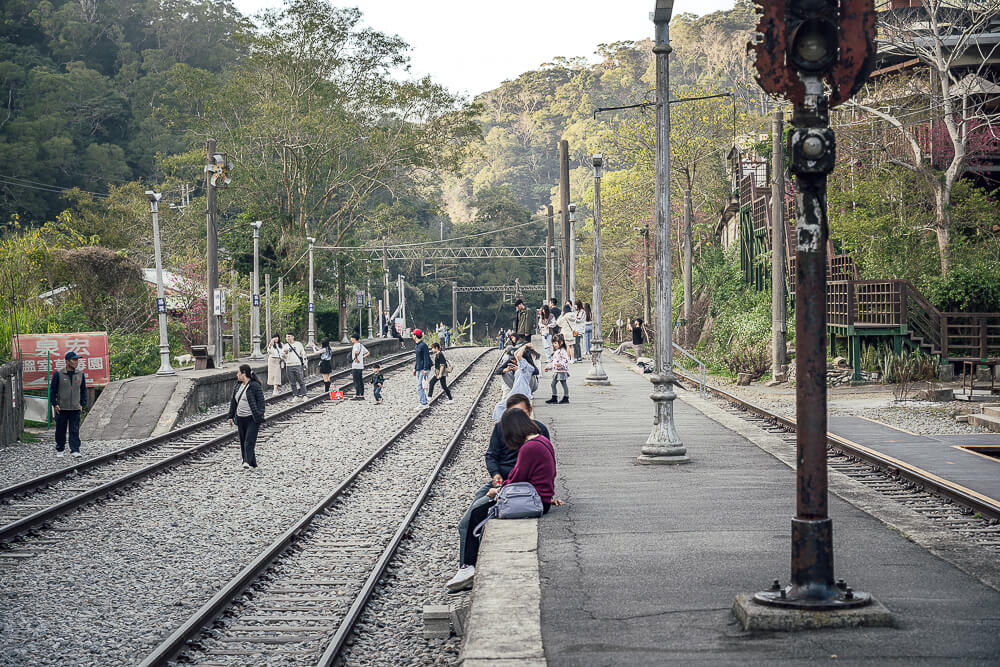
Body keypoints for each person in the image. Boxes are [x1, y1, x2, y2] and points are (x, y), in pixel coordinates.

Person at [447, 408, 562, 592]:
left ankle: (468, 566)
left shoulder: (528, 448)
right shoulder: (542, 441)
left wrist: (496, 491)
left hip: (534, 501)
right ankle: (468, 566)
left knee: (478, 512)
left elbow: (516, 478)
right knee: (481, 508)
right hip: (541, 497)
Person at [476, 393, 550, 499]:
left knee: (480, 504)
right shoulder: (500, 428)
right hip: (503, 480)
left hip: (526, 485)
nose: (517, 419)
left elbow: (545, 466)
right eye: (512, 414)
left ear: (530, 411)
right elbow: (491, 455)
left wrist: (498, 491)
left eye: (521, 414)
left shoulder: (539, 431)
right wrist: (496, 474)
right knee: (479, 495)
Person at [49, 351, 87, 458]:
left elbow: (83, 390)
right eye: (74, 360)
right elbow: (52, 391)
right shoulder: (58, 374)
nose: (76, 362)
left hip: (75, 408)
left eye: (77, 360)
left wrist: (82, 403)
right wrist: (54, 404)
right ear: (67, 361)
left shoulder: (80, 374)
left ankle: (75, 449)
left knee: (74, 430)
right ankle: (60, 449)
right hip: (61, 408)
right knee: (60, 430)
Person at [228, 364, 265, 469]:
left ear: (244, 373)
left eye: (238, 373)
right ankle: (252, 463)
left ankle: (246, 461)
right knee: (243, 440)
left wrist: (259, 414)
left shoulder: (254, 386)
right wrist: (230, 416)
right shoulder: (238, 386)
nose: (237, 375)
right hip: (240, 418)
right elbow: (233, 402)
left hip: (252, 418)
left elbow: (261, 402)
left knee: (249, 440)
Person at [492, 343, 540, 421]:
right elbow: (515, 353)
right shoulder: (523, 367)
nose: (514, 360)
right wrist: (522, 347)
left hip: (521, 392)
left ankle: (502, 423)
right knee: (501, 406)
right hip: (516, 391)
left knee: (500, 406)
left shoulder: (526, 367)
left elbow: (518, 356)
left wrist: (525, 346)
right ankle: (504, 421)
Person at [281, 332, 308, 399]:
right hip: (289, 365)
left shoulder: (298, 344)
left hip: (297, 364)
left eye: (289, 336)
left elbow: (303, 354)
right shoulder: (285, 346)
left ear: (293, 337)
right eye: (287, 337)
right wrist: (285, 353)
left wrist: (305, 362)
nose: (288, 338)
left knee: (301, 380)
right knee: (292, 382)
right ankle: (295, 395)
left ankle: (304, 395)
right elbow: (282, 356)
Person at [545, 335, 571, 404]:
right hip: (557, 371)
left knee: (563, 383)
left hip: (561, 370)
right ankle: (554, 397)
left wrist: (561, 364)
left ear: (561, 342)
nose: (554, 345)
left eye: (555, 343)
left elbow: (566, 360)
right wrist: (548, 367)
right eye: (553, 343)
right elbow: (554, 361)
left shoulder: (563, 351)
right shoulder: (557, 351)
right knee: (553, 384)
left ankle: (566, 397)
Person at [412, 328, 431, 409]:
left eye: (413, 334)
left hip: (424, 368)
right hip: (419, 368)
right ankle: (423, 402)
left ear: (416, 336)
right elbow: (418, 358)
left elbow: (426, 357)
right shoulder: (417, 345)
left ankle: (423, 403)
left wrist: (426, 369)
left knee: (420, 386)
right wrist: (415, 368)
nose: (412, 336)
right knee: (421, 386)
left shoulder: (423, 345)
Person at [350, 333, 369, 400]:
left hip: (355, 365)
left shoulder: (355, 345)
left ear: (354, 338)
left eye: (352, 338)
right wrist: (361, 357)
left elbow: (355, 352)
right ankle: (362, 395)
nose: (351, 339)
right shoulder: (361, 345)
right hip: (360, 365)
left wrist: (356, 358)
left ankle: (357, 395)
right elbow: (367, 352)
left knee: (356, 380)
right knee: (360, 380)